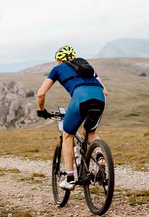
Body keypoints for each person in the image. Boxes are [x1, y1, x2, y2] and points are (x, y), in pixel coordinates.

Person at [36, 46, 108, 190]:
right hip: (99, 97)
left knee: (68, 135)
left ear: (59, 60)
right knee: (90, 132)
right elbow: (105, 91)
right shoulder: (87, 66)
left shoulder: (58, 69)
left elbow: (40, 94)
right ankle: (100, 155)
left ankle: (69, 179)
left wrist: (41, 110)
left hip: (80, 97)